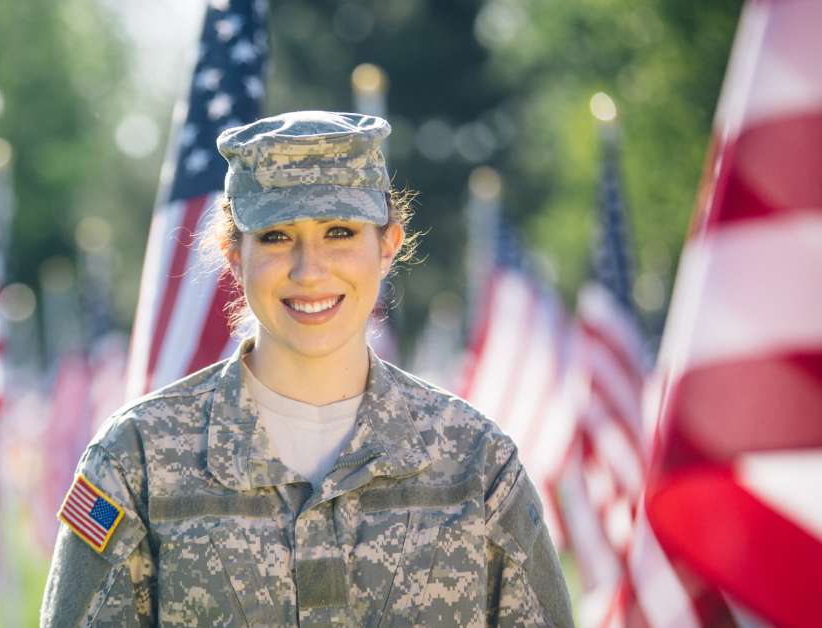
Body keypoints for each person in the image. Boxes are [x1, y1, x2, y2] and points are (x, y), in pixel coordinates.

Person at [40, 111, 573, 626]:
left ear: (388, 245)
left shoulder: (475, 465)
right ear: (232, 253)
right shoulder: (138, 461)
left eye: (339, 231)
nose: (309, 269)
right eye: (276, 236)